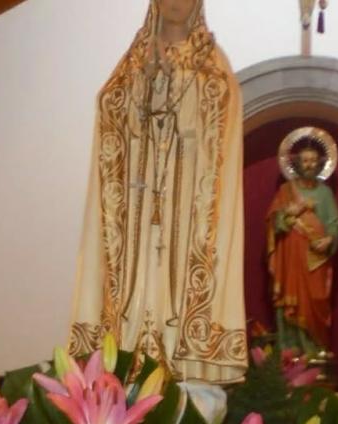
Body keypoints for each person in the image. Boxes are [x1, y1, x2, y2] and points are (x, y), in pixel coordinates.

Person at [68, 0, 247, 384]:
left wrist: (178, 82)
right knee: (131, 278)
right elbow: (111, 109)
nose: (176, 2)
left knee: (175, 278)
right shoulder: (133, 61)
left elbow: (218, 123)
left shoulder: (212, 63)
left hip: (186, 204)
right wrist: (142, 87)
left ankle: (180, 361)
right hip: (137, 197)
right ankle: (126, 354)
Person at [267, 143, 338, 356]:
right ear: (297, 164)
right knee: (289, 302)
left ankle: (314, 351)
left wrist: (329, 239)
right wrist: (288, 214)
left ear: (320, 164)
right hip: (290, 257)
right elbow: (274, 221)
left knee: (316, 299)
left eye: (313, 160)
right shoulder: (286, 191)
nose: (309, 164)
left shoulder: (325, 193)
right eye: (305, 160)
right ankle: (289, 353)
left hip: (316, 258)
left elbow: (335, 225)